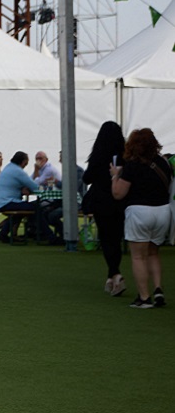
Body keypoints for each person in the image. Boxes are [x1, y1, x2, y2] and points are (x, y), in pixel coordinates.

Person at [111, 128, 172, 309]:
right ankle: (158, 289)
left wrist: (115, 176)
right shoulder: (163, 163)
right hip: (163, 211)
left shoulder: (132, 165)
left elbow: (118, 194)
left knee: (138, 257)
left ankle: (144, 298)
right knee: (154, 252)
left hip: (139, 212)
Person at [83, 121, 128, 296]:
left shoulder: (98, 156)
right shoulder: (125, 157)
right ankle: (112, 275)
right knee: (115, 238)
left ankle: (115, 274)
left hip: (102, 202)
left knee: (107, 238)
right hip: (120, 200)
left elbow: (87, 178)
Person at [0, 152, 40, 241]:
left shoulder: (9, 167)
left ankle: (3, 234)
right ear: (23, 162)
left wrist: (23, 187)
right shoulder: (18, 171)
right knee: (35, 208)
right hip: (7, 202)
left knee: (21, 211)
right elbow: (35, 187)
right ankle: (46, 234)